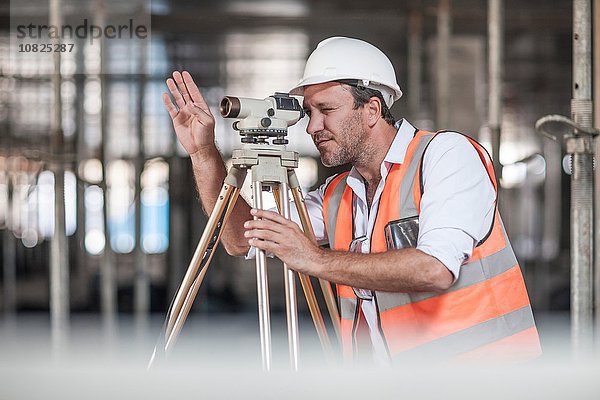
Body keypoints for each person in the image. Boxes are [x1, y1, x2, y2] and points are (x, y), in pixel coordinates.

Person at [162, 36, 542, 364]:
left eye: (326, 110)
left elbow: (435, 269)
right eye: (309, 112)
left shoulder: (446, 156)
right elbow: (240, 238)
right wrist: (203, 153)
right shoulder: (337, 195)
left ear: (373, 109)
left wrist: (313, 258)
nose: (312, 127)